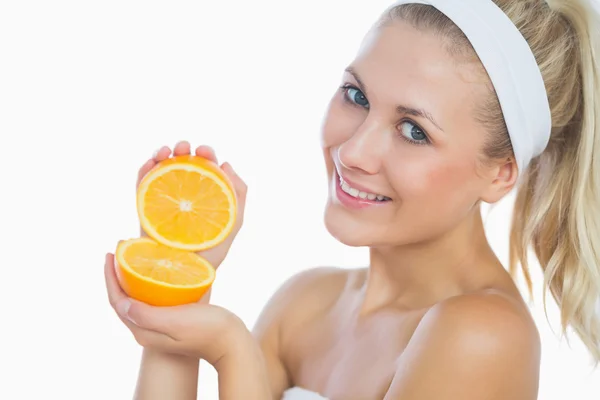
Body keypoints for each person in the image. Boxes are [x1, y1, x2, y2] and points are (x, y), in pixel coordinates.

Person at [104, 0, 600, 398]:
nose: (353, 151)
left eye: (413, 130)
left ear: (500, 173)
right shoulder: (306, 303)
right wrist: (178, 288)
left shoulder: (484, 336)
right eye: (357, 96)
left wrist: (230, 348)